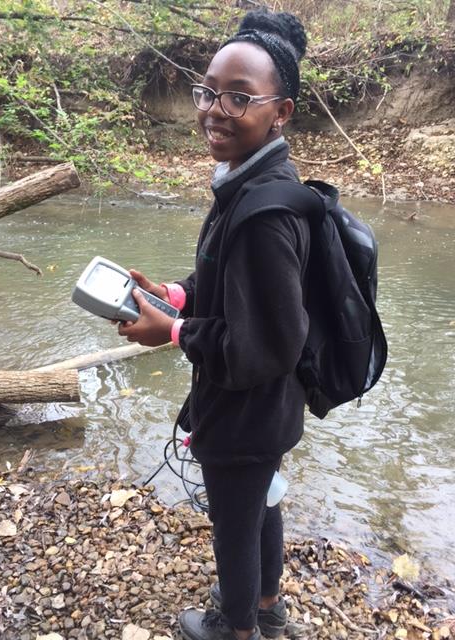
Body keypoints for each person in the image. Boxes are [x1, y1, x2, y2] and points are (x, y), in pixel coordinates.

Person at [117, 9, 309, 640]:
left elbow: (266, 346)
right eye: (208, 91)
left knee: (235, 518)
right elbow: (231, 286)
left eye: (239, 97)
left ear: (279, 111)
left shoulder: (263, 214)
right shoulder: (253, 183)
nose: (214, 110)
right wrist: (175, 293)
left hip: (244, 411)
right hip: (271, 412)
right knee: (263, 503)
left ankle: (235, 627)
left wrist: (169, 331)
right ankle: (265, 607)